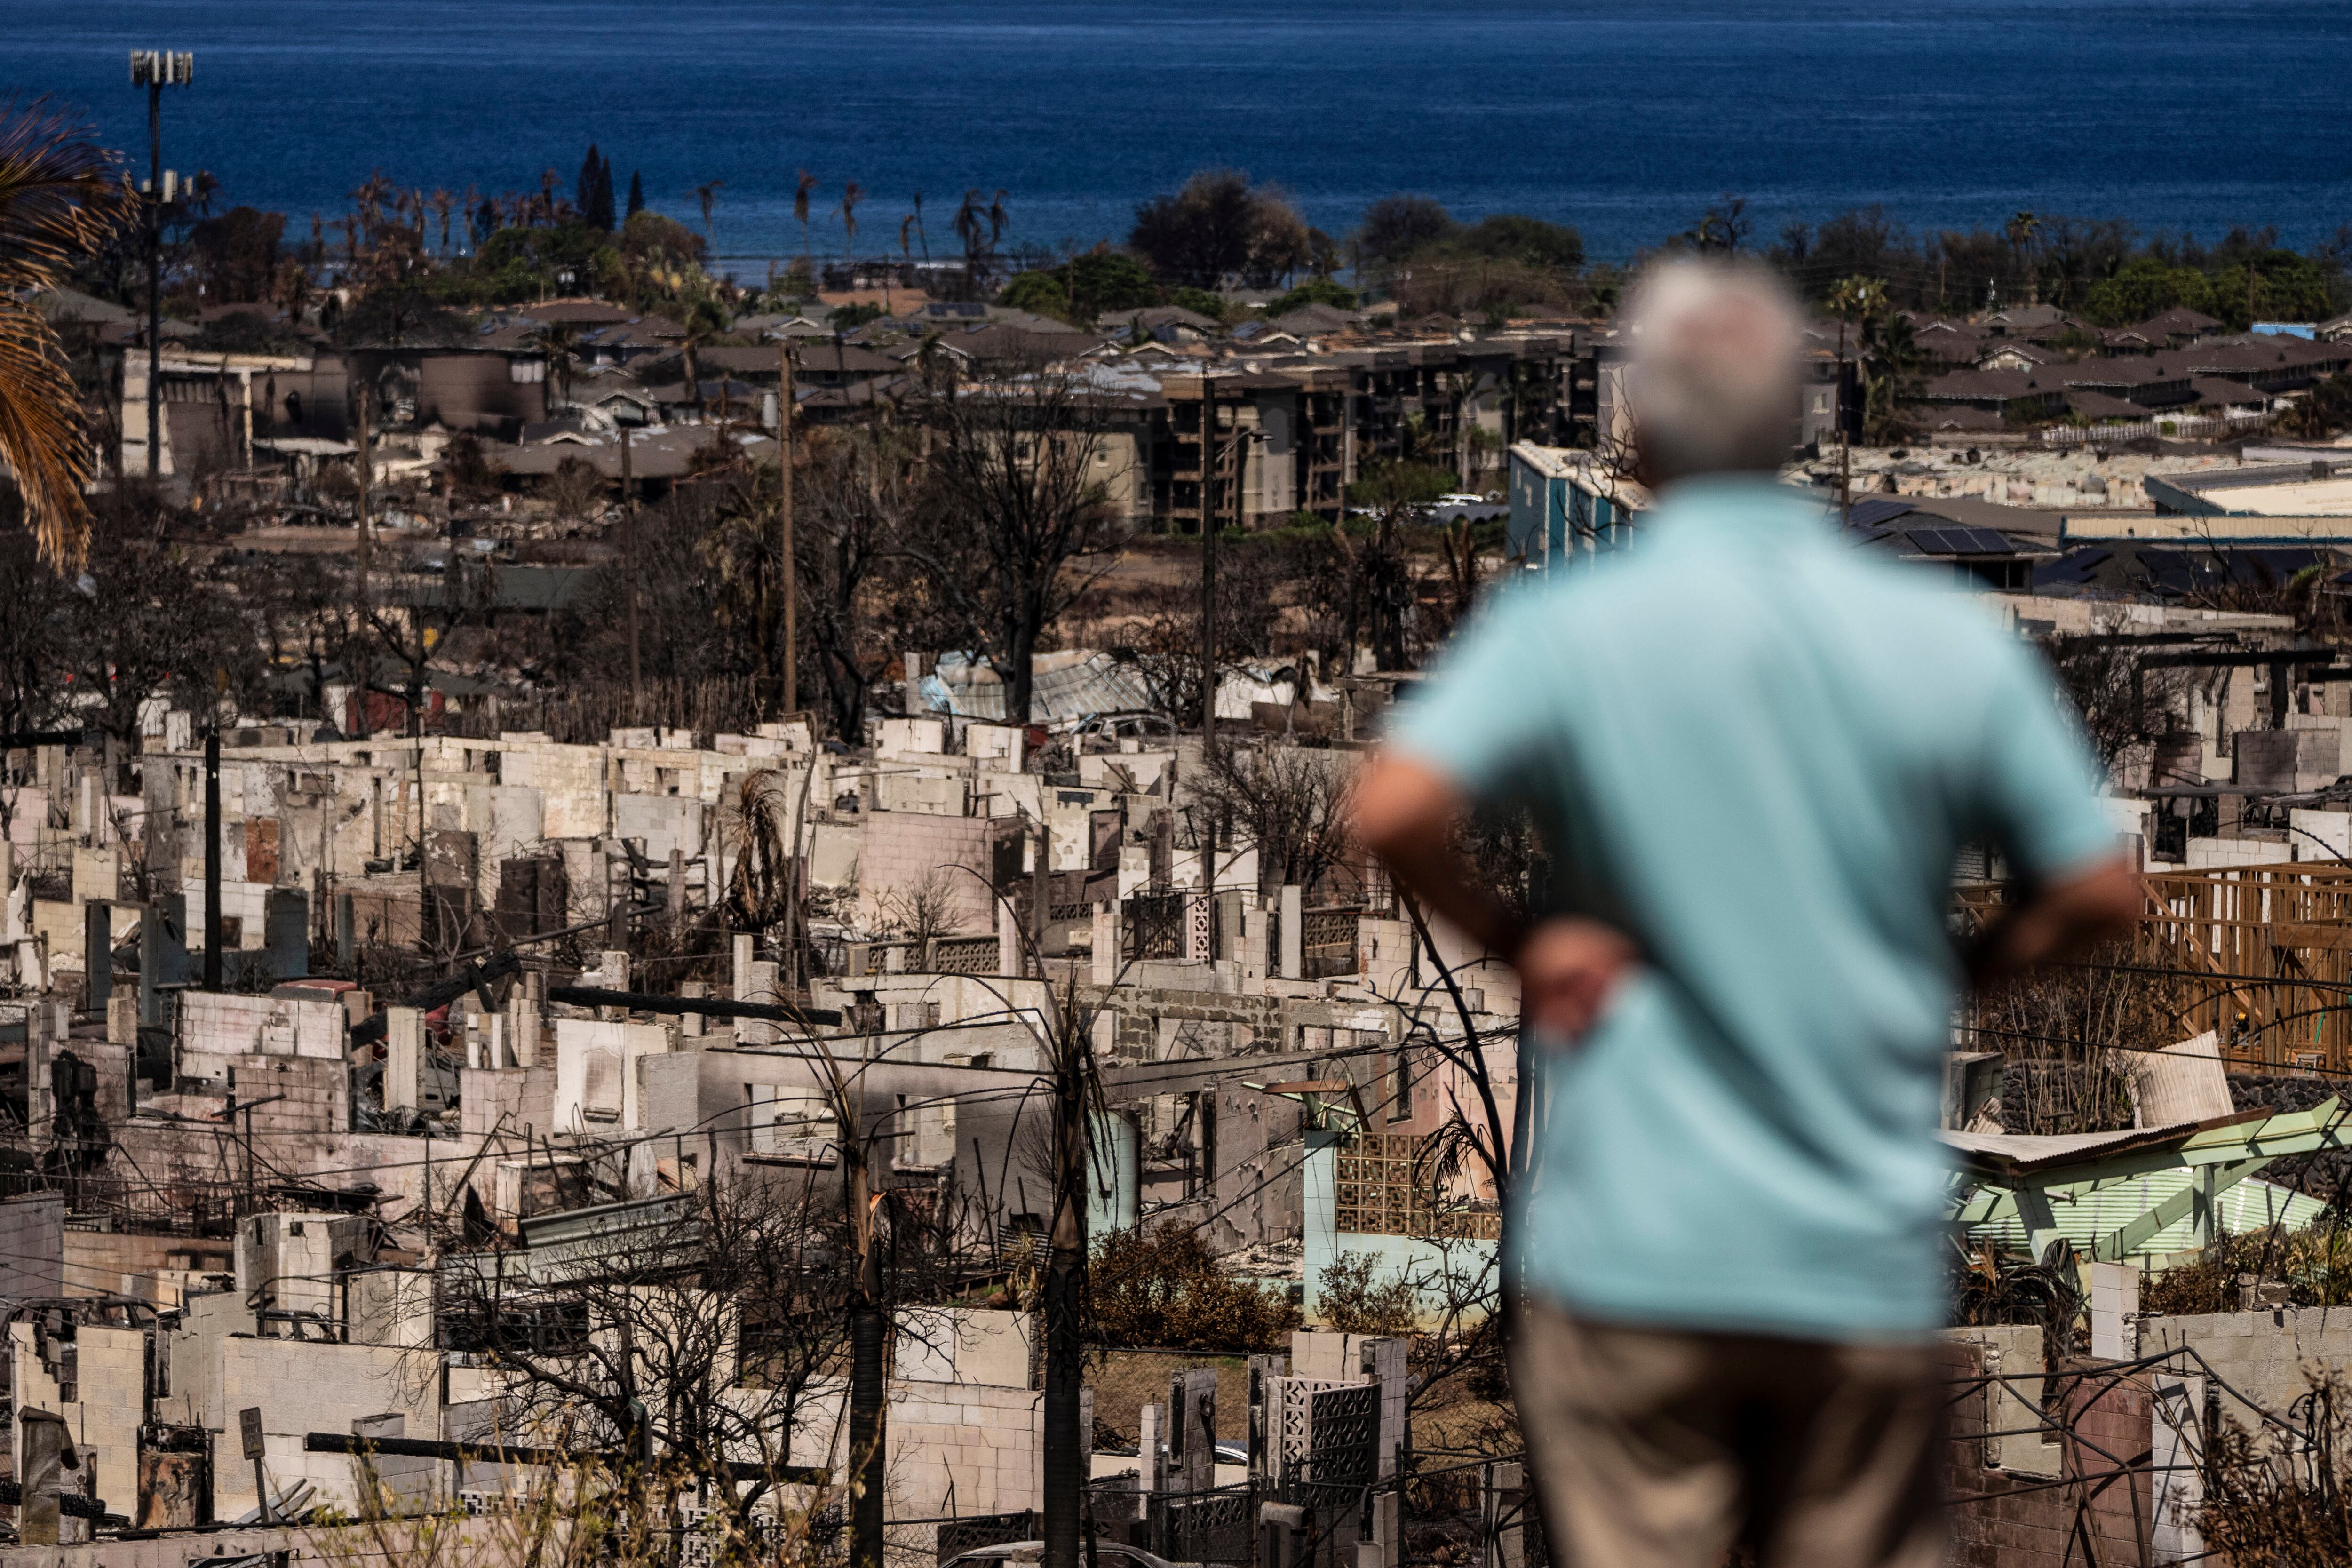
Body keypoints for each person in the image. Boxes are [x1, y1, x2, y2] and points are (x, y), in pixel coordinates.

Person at [1350, 259, 2142, 1568]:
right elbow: (2102, 884)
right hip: (1853, 1272)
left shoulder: (1572, 623)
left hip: (1636, 1264)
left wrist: (1526, 943)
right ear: (1793, 431)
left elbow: (1392, 804)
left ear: (1642, 432)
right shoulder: (1939, 635)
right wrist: (1960, 970)